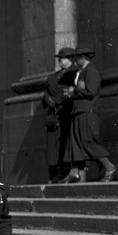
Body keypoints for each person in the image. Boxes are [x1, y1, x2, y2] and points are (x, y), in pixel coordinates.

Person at [63, 46, 117, 183]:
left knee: (87, 141)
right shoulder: (81, 72)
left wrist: (73, 92)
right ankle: (75, 173)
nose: (74, 60)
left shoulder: (91, 71)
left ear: (83, 58)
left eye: (76, 58)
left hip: (87, 112)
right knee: (76, 141)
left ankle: (109, 166)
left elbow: (91, 91)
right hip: (78, 111)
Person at [43, 47, 76, 183]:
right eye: (59, 59)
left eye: (62, 59)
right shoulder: (54, 77)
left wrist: (58, 99)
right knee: (52, 146)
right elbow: (46, 92)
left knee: (65, 144)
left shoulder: (75, 73)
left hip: (67, 113)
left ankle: (64, 172)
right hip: (54, 115)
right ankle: (54, 173)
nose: (60, 61)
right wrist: (47, 98)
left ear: (70, 59)